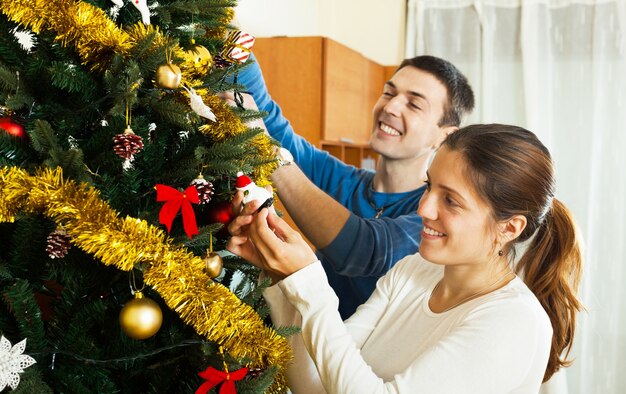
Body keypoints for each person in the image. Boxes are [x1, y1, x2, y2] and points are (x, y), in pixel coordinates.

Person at [227, 124, 583, 393]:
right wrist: (280, 278)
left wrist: (308, 281)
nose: (424, 208)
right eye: (429, 186)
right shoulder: (414, 271)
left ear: (509, 228)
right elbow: (317, 383)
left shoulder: (514, 322)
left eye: (451, 200)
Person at [230, 53, 475, 318]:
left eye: (414, 104)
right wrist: (233, 42)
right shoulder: (341, 178)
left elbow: (361, 251)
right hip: (305, 350)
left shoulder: (431, 217)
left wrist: (267, 153)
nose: (390, 108)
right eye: (389, 93)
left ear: (445, 136)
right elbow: (269, 119)